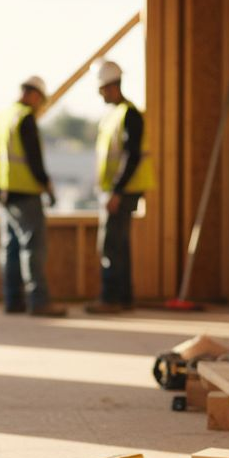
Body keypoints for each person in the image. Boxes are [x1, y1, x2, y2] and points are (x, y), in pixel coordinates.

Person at [0, 77, 67, 317]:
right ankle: (39, 302)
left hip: (3, 192)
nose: (40, 106)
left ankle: (13, 301)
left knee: (9, 247)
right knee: (33, 247)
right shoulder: (24, 117)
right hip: (26, 191)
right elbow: (33, 158)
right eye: (40, 100)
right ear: (34, 95)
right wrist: (46, 185)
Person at [86, 60, 153, 314]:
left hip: (122, 191)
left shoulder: (128, 114)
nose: (100, 93)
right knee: (119, 244)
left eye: (102, 88)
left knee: (111, 245)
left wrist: (116, 191)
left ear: (112, 86)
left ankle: (111, 298)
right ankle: (123, 298)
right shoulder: (114, 115)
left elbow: (131, 155)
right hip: (117, 189)